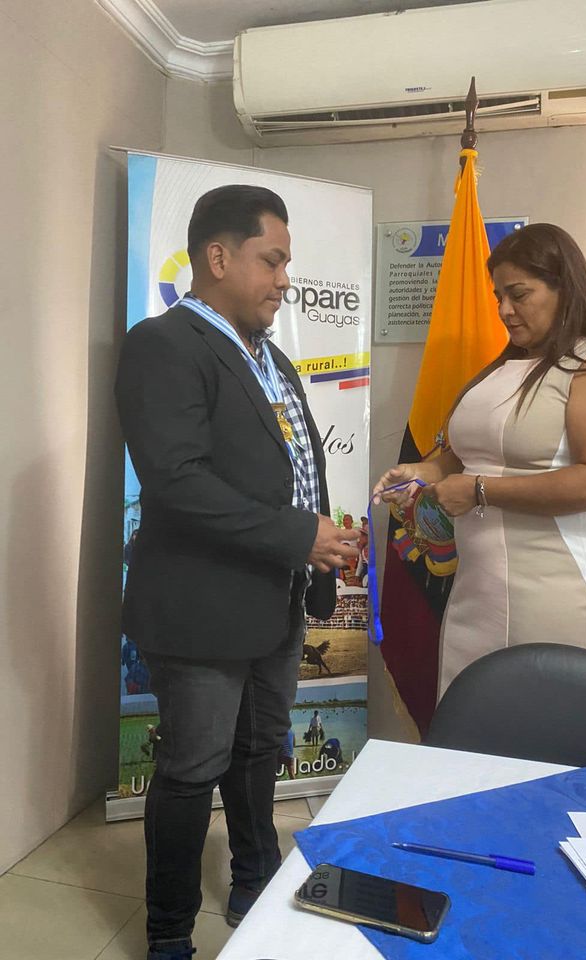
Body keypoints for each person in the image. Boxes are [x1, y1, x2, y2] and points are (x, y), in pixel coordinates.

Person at [115, 185, 359, 960]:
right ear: (217, 257)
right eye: (272, 260)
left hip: (275, 598)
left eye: (286, 263)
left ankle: (256, 880)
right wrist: (299, 534)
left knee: (258, 752)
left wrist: (322, 547)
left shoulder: (270, 357)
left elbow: (294, 466)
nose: (284, 279)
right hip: (200, 607)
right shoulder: (164, 344)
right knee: (193, 768)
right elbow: (176, 479)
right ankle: (168, 933)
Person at [374, 223, 586, 698]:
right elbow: (467, 454)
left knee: (540, 726)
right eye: (499, 296)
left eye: (519, 294)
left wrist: (480, 491)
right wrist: (424, 471)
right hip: (477, 593)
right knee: (471, 723)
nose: (504, 310)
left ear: (564, 287)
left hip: (553, 593)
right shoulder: (505, 368)